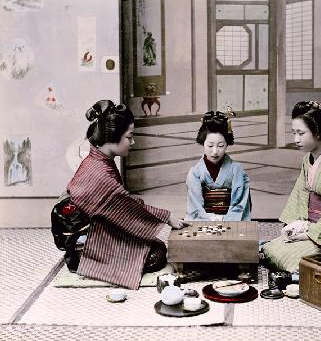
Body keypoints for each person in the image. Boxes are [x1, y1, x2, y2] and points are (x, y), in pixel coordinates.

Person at [66, 100, 187, 289]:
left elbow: (123, 202)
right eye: (129, 137)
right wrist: (167, 216)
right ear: (113, 136)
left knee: (151, 244)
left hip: (95, 231)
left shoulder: (97, 159)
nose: (133, 142)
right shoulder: (100, 171)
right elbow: (126, 205)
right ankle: (87, 262)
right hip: (88, 244)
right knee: (156, 254)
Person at [262, 101, 321, 272]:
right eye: (294, 133)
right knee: (270, 248)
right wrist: (299, 225)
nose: (295, 139)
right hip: (309, 226)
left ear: (318, 133)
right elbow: (300, 195)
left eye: (300, 133)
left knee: (284, 257)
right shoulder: (308, 160)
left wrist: (310, 234)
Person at [185, 110, 251, 221]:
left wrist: (225, 220)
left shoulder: (236, 170)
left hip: (232, 221)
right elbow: (195, 207)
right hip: (203, 221)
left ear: (227, 144)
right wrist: (211, 218)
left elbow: (239, 205)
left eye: (220, 145)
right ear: (203, 143)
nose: (215, 152)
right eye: (210, 146)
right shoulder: (195, 173)